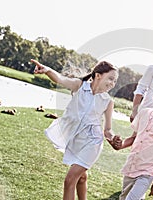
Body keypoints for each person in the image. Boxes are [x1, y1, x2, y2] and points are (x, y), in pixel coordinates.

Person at [31, 59, 118, 200]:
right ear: (98, 75)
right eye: (111, 78)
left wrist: (113, 138)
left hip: (92, 143)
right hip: (76, 140)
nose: (113, 84)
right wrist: (47, 70)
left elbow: (107, 130)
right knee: (81, 178)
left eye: (115, 81)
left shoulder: (108, 101)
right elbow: (61, 79)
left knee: (70, 180)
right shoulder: (80, 86)